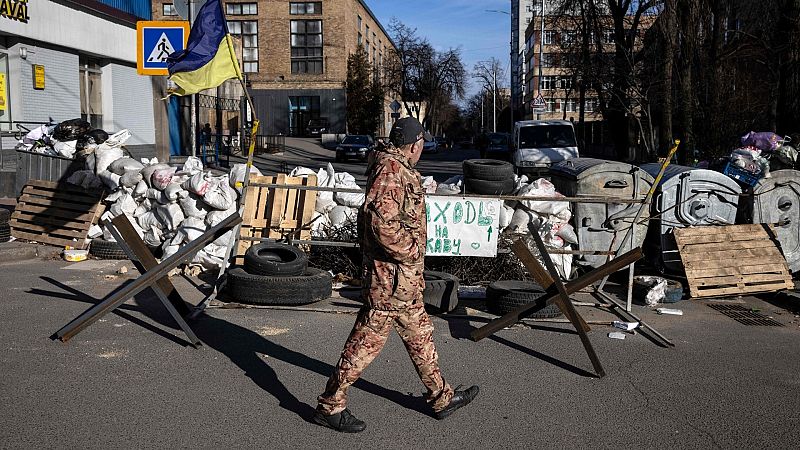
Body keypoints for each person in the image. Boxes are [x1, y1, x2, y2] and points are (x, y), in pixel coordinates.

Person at [313, 117, 479, 433]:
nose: (421, 150)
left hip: (403, 282)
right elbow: (379, 223)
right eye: (421, 145)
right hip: (390, 281)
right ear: (414, 145)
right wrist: (412, 250)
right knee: (365, 343)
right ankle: (330, 406)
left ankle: (441, 397)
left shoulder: (397, 168)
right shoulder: (391, 172)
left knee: (420, 335)